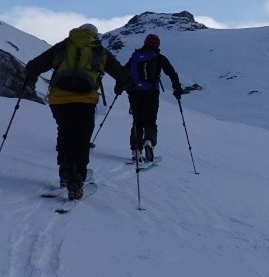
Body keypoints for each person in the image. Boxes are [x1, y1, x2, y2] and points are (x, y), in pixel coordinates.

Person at [23, 23, 132, 200]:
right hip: (85, 101)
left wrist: (31, 80)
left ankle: (65, 173)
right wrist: (129, 87)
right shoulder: (99, 51)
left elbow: (32, 67)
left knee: (65, 133)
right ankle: (76, 179)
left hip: (58, 100)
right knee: (81, 139)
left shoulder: (64, 46)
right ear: (95, 35)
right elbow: (123, 75)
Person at [124, 33, 184, 163]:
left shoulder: (135, 57)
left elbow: (123, 72)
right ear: (157, 45)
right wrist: (177, 88)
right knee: (150, 121)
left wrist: (119, 87)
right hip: (151, 93)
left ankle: (136, 149)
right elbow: (172, 73)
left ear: (145, 42)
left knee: (137, 121)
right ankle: (149, 142)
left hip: (134, 93)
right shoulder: (159, 58)